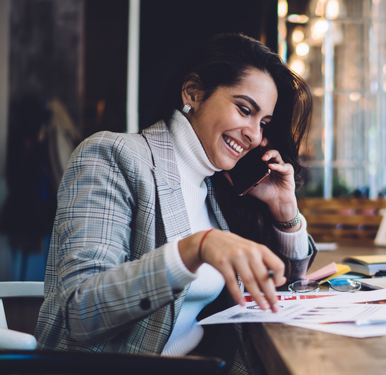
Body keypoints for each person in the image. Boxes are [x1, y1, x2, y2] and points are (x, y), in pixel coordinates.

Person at [35, 34, 316, 373]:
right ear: (193, 93)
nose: (254, 136)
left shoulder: (214, 188)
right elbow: (81, 311)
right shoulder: (113, 156)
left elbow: (287, 284)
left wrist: (285, 212)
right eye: (244, 110)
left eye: (263, 124)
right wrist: (193, 249)